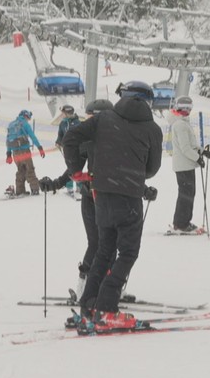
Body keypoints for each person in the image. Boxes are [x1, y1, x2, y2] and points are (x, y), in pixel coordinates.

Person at [56, 81, 163, 333]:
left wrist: (75, 171)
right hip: (129, 196)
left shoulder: (103, 120)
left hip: (101, 195)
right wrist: (134, 173)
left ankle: (89, 306)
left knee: (105, 249)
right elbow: (152, 169)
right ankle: (106, 308)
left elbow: (70, 138)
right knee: (127, 252)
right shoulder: (152, 129)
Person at [39, 99, 114, 300]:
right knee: (98, 243)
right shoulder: (89, 139)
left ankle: (106, 287)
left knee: (106, 244)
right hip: (92, 198)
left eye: (91, 117)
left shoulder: (114, 140)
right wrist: (55, 183)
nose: (88, 122)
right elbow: (74, 168)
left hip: (105, 198)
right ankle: (85, 288)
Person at [167, 96, 210, 233]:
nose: (188, 111)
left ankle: (183, 222)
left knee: (188, 194)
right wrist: (198, 158)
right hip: (183, 165)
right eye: (186, 108)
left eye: (189, 108)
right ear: (180, 109)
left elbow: (191, 144)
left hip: (186, 165)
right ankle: (181, 224)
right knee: (186, 195)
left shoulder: (183, 123)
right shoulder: (180, 125)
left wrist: (202, 151)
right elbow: (185, 148)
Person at [5, 109, 45, 196]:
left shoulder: (11, 124)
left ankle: (20, 191)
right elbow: (32, 136)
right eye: (29, 118)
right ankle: (35, 190)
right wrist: (40, 147)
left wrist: (8, 154)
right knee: (29, 169)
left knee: (20, 170)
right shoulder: (25, 124)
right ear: (26, 116)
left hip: (15, 152)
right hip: (25, 151)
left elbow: (8, 140)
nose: (28, 120)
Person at [55, 104, 81, 196]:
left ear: (68, 113)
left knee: (76, 167)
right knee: (69, 167)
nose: (62, 115)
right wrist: (58, 142)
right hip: (66, 149)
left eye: (63, 113)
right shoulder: (63, 123)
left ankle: (79, 185)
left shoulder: (77, 123)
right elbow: (60, 135)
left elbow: (81, 135)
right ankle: (69, 185)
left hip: (76, 149)